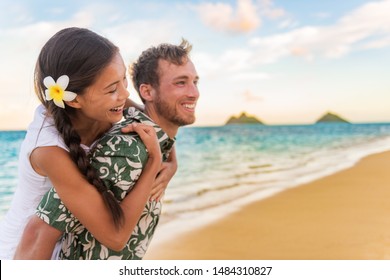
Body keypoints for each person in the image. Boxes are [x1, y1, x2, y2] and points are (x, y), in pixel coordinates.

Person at [0, 27, 177, 260]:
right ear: (74, 100)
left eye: (123, 79)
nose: (125, 94)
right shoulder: (48, 149)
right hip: (27, 255)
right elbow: (115, 236)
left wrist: (173, 162)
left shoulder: (107, 105)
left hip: (69, 245)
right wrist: (153, 163)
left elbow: (152, 123)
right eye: (112, 88)